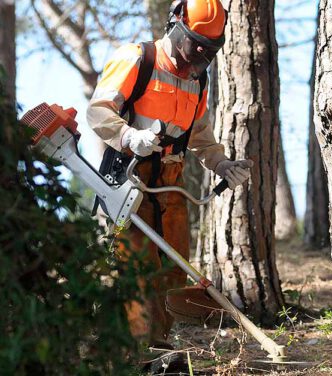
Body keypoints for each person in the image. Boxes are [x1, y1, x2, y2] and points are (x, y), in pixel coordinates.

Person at [86, 0, 251, 372]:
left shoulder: (198, 79)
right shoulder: (138, 59)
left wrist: (222, 164)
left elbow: (200, 136)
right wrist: (130, 136)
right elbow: (98, 111)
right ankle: (133, 354)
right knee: (133, 270)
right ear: (177, 29)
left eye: (210, 51)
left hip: (171, 185)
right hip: (128, 178)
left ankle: (158, 350)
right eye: (197, 47)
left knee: (172, 271)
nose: (201, 57)